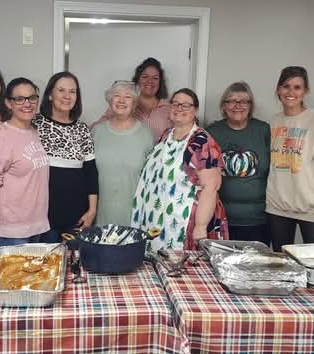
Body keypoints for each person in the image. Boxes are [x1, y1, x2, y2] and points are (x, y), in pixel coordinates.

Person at [131, 88, 228, 251]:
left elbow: (211, 188)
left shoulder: (202, 142)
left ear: (195, 110)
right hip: (158, 221)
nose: (179, 108)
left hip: (186, 223)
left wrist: (201, 226)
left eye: (186, 105)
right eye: (175, 103)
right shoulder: (166, 135)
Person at [266, 66, 314, 252]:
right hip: (277, 209)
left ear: (305, 91)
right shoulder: (273, 122)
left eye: (297, 87)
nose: (291, 92)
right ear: (278, 89)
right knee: (282, 269)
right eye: (286, 86)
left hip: (312, 211)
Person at [0, 78, 50, 250]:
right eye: (19, 99)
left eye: (32, 98)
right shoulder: (1, 137)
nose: (27, 104)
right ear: (8, 103)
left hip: (37, 226)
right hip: (11, 233)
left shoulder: (34, 132)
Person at [35, 71, 98, 243]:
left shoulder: (83, 129)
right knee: (46, 266)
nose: (67, 96)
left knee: (77, 266)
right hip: (41, 217)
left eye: (72, 91)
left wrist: (92, 211)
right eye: (61, 90)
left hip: (77, 218)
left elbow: (91, 174)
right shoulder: (34, 124)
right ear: (50, 94)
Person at [206, 82, 270, 245]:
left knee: (256, 267)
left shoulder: (263, 130)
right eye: (231, 101)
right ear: (224, 106)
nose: (237, 106)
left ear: (250, 106)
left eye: (243, 101)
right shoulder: (212, 132)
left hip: (259, 219)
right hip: (221, 218)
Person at [92, 80, 154, 225]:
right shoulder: (96, 131)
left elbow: (151, 180)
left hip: (134, 214)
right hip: (99, 213)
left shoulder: (147, 135)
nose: (121, 100)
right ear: (110, 100)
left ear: (135, 103)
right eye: (116, 95)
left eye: (128, 96)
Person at [91, 57, 172, 141]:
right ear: (137, 80)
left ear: (160, 82)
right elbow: (96, 128)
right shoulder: (124, 105)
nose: (150, 81)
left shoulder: (169, 108)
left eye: (155, 78)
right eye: (145, 77)